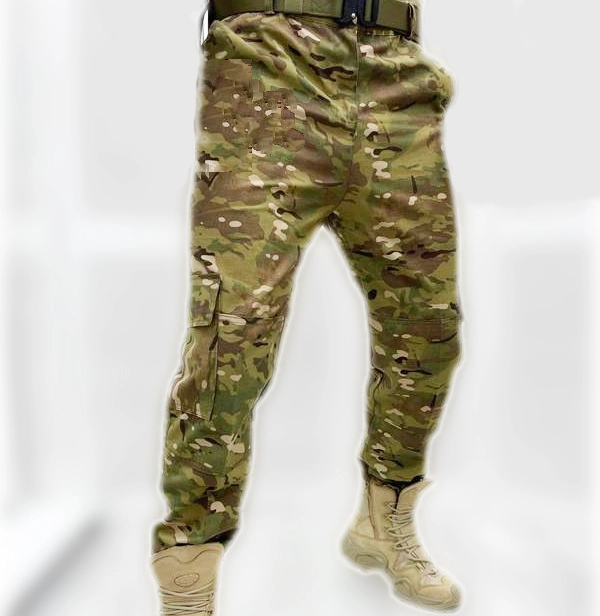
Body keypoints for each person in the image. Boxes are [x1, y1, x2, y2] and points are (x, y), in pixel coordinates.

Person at [149, 0, 465, 613]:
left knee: (428, 329)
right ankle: (189, 559)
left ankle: (384, 517)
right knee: (235, 334)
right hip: (270, 62)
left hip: (394, 69)